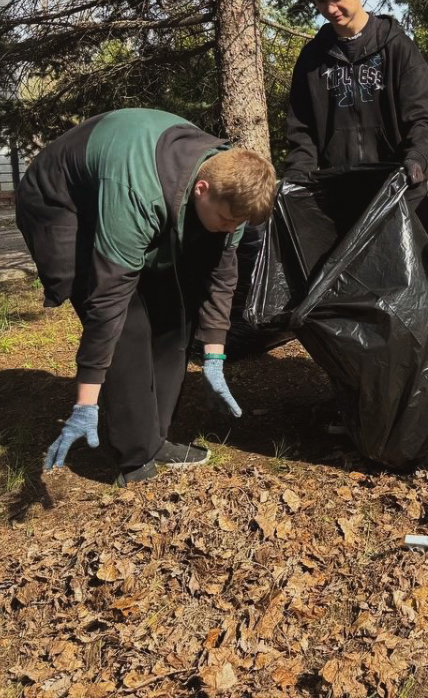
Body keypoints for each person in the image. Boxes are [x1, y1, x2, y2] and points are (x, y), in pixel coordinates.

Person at [15, 108, 277, 485]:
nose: (230, 230)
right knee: (129, 325)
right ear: (202, 189)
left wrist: (214, 357)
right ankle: (133, 456)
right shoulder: (137, 191)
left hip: (128, 190)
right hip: (62, 203)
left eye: (237, 224)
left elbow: (221, 280)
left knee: (173, 309)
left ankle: (154, 439)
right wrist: (85, 402)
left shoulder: (227, 194)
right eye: (225, 221)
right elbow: (107, 303)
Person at [283, 0, 428, 233]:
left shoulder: (397, 48)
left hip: (400, 198)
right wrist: (296, 180)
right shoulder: (312, 59)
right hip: (337, 206)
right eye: (319, 1)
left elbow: (424, 119)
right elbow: (301, 133)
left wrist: (416, 159)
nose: (329, 9)